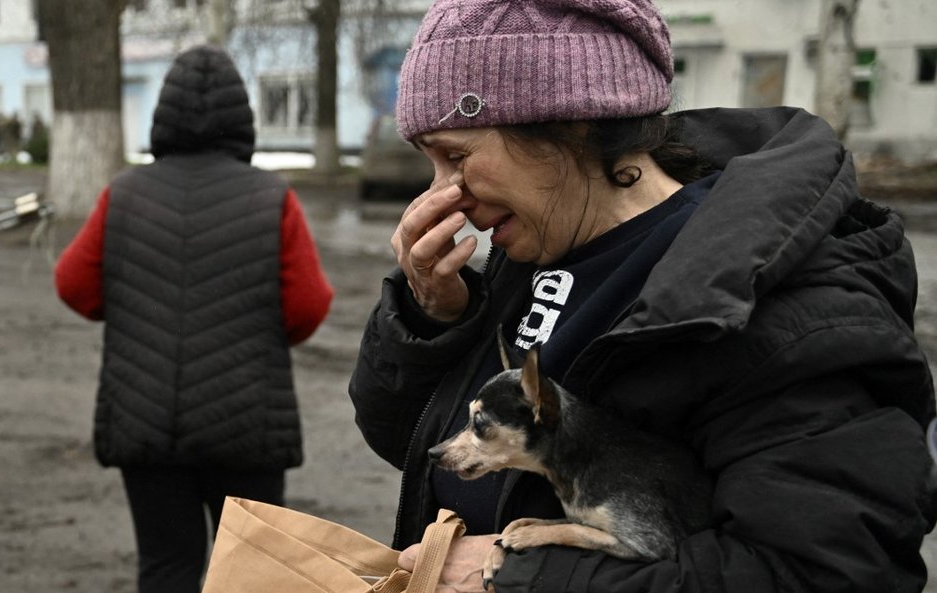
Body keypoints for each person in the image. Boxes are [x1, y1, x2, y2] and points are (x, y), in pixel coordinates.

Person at [348, 1, 937, 591]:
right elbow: (421, 452)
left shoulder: (773, 301)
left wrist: (523, 574)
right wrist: (432, 318)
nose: (443, 197)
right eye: (429, 164)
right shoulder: (535, 249)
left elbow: (830, 572)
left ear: (571, 123)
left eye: (456, 157)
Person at [54, 45, 334, 593]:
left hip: (145, 419)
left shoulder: (125, 193)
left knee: (165, 566)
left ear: (164, 115)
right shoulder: (271, 197)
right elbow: (306, 308)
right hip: (247, 423)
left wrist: (136, 306)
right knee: (251, 574)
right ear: (242, 117)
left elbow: (73, 286)